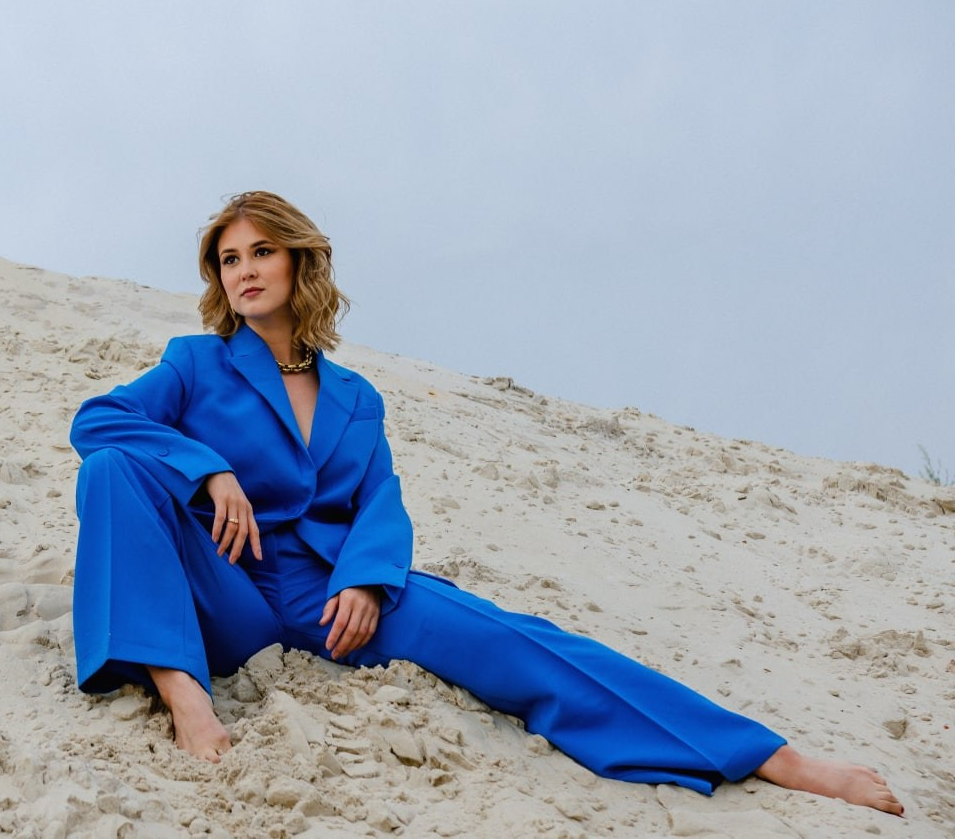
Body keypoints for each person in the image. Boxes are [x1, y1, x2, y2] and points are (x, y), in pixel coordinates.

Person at [69, 191, 902, 816]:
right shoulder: (195, 363)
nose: (243, 271)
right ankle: (183, 693)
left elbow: (379, 500)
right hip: (227, 591)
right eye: (227, 259)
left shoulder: (356, 397)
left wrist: (364, 579)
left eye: (259, 252)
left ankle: (766, 754)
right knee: (113, 470)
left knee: (521, 641)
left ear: (298, 262)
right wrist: (207, 469)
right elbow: (98, 420)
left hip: (332, 596)